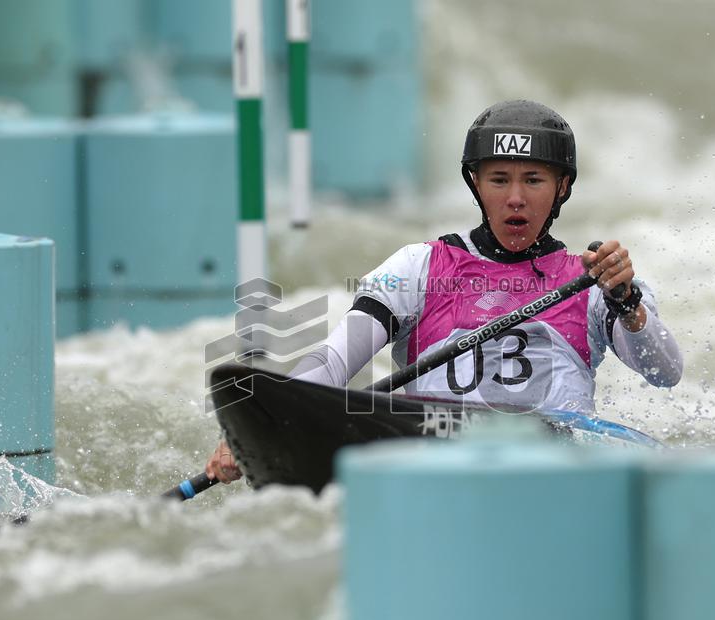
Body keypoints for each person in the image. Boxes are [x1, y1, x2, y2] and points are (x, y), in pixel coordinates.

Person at [207, 99, 683, 484]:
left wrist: (628, 305)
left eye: (533, 180)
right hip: (432, 456)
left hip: (554, 468)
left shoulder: (597, 280)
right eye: (499, 179)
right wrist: (263, 425)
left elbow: (666, 372)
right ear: (475, 184)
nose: (515, 198)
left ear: (562, 188)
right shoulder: (418, 266)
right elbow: (333, 362)